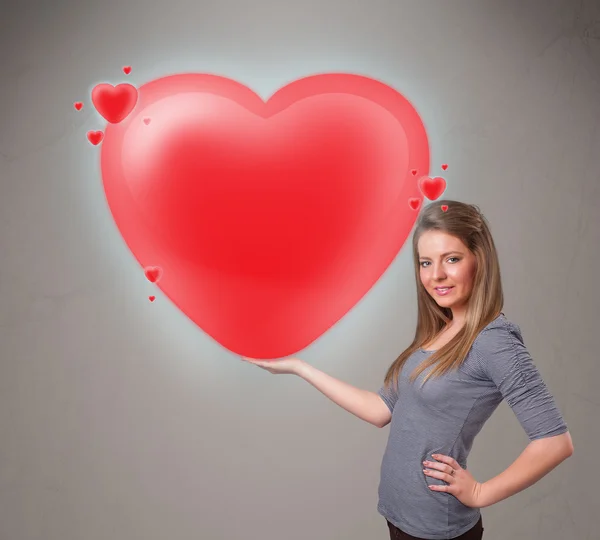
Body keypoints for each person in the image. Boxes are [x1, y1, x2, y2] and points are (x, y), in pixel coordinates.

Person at [242, 200, 573, 540]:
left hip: (435, 529)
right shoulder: (441, 330)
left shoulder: (493, 341)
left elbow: (555, 442)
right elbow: (380, 409)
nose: (436, 275)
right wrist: (299, 367)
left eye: (452, 259)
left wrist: (480, 493)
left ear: (480, 260)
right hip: (400, 515)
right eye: (425, 263)